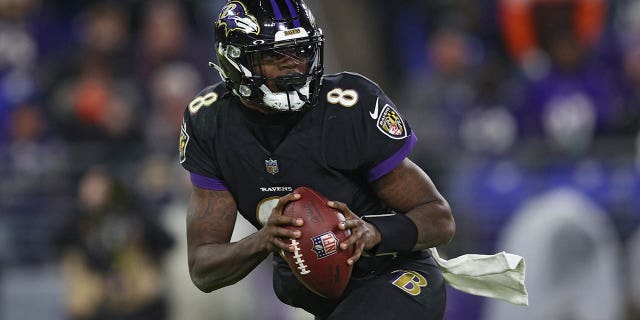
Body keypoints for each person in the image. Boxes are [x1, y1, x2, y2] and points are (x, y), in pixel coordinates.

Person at [178, 1, 455, 319]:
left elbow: (439, 219)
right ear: (236, 60)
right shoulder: (211, 122)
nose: (293, 64)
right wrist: (263, 240)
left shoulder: (347, 108)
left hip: (395, 276)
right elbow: (203, 268)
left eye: (301, 50)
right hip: (324, 298)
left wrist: (374, 232)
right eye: (274, 55)